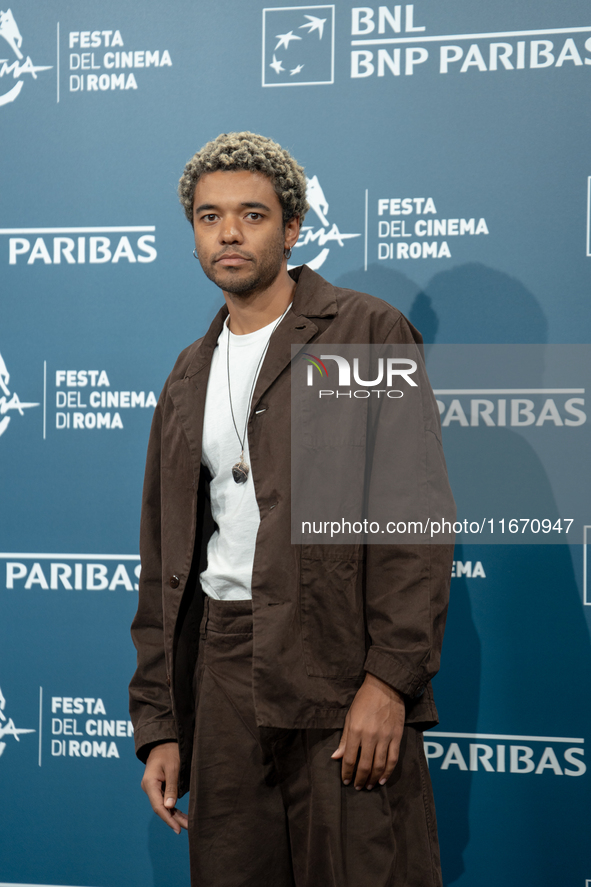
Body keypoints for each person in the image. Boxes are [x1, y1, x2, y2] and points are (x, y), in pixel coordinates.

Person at [129, 131, 454, 887]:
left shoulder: (364, 332)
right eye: (209, 218)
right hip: (222, 664)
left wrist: (389, 681)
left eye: (251, 214)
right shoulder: (188, 372)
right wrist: (161, 725)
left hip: (339, 662)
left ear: (293, 227)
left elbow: (413, 520)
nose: (229, 233)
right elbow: (163, 558)